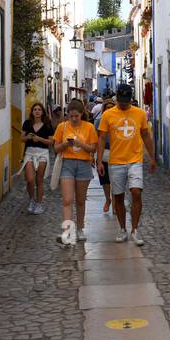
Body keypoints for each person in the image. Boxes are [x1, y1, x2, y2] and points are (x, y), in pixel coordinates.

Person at [96, 83, 157, 245]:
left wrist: (152, 157)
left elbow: (145, 135)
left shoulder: (140, 114)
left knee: (136, 192)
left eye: (126, 100)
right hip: (115, 161)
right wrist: (99, 160)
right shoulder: (108, 115)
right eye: (121, 100)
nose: (123, 103)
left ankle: (135, 229)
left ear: (130, 98)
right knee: (118, 196)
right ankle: (122, 229)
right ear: (117, 98)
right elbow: (101, 138)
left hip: (135, 160)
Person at [52, 99, 99, 245]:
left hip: (84, 164)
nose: (73, 119)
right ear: (67, 115)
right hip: (67, 164)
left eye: (76, 116)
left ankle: (80, 229)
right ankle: (67, 232)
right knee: (67, 200)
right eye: (70, 116)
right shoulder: (62, 127)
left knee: (80, 200)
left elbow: (93, 149)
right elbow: (56, 148)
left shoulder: (89, 127)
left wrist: (80, 144)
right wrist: (66, 143)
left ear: (81, 114)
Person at [20, 103, 55, 214]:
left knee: (39, 180)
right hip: (29, 153)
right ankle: (31, 200)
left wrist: (39, 138)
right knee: (30, 179)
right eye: (35, 109)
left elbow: (51, 141)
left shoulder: (47, 124)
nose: (37, 111)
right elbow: (21, 138)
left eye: (39, 109)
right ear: (32, 112)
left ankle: (39, 203)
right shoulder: (27, 123)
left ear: (42, 112)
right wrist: (28, 137)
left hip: (42, 153)